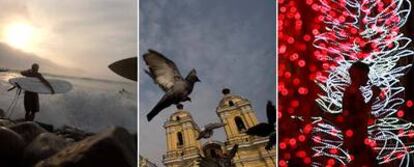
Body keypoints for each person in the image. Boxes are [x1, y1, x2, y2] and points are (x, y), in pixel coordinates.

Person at [341, 61, 381, 167]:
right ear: (359, 75)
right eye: (366, 75)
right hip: (357, 139)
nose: (368, 79)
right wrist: (374, 96)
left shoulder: (353, 91)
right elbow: (361, 113)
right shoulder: (352, 92)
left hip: (357, 138)